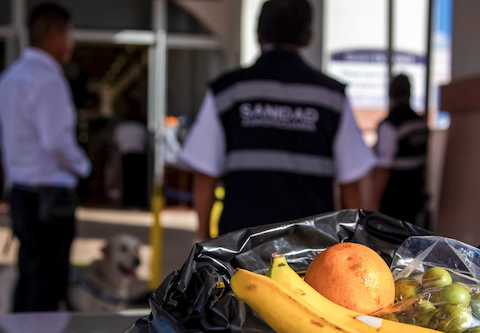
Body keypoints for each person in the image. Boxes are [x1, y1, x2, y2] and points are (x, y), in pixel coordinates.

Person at [178, 0, 376, 240]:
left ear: (258, 34)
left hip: (240, 247)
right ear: (309, 38)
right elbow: (351, 182)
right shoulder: (332, 97)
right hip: (310, 248)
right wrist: (355, 243)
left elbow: (204, 175)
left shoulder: (227, 92)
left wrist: (202, 238)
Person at [0, 3, 91, 312]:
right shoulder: (48, 80)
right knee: (48, 285)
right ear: (54, 34)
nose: (71, 44)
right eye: (69, 35)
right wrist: (83, 167)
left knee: (29, 277)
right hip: (51, 197)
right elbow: (56, 142)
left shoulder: (9, 78)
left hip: (21, 192)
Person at [373, 74, 430, 227]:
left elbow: (383, 169)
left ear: (390, 94)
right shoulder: (420, 123)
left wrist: (373, 202)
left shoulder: (390, 125)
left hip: (394, 200)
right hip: (416, 196)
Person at [112, 99, 149, 208]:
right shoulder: (139, 127)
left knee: (128, 179)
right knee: (137, 180)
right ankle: (135, 201)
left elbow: (115, 143)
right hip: (137, 156)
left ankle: (128, 200)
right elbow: (145, 142)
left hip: (128, 155)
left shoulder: (122, 127)